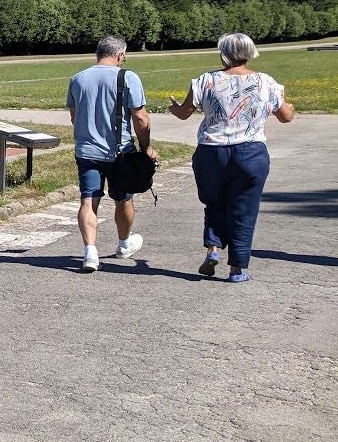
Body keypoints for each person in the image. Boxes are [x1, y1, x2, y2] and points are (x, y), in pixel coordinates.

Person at [166, 32, 294, 282]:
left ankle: (213, 248)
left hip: (212, 151)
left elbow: (184, 113)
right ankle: (238, 268)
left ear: (223, 53)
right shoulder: (265, 81)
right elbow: (286, 116)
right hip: (251, 152)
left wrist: (174, 108)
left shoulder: (206, 80)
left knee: (214, 202)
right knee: (244, 209)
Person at [66, 35, 157, 273]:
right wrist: (145, 146)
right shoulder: (128, 77)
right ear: (120, 55)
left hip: (86, 151)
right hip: (120, 152)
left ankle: (90, 252)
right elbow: (140, 118)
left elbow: (75, 117)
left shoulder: (77, 79)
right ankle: (124, 243)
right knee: (123, 198)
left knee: (88, 200)